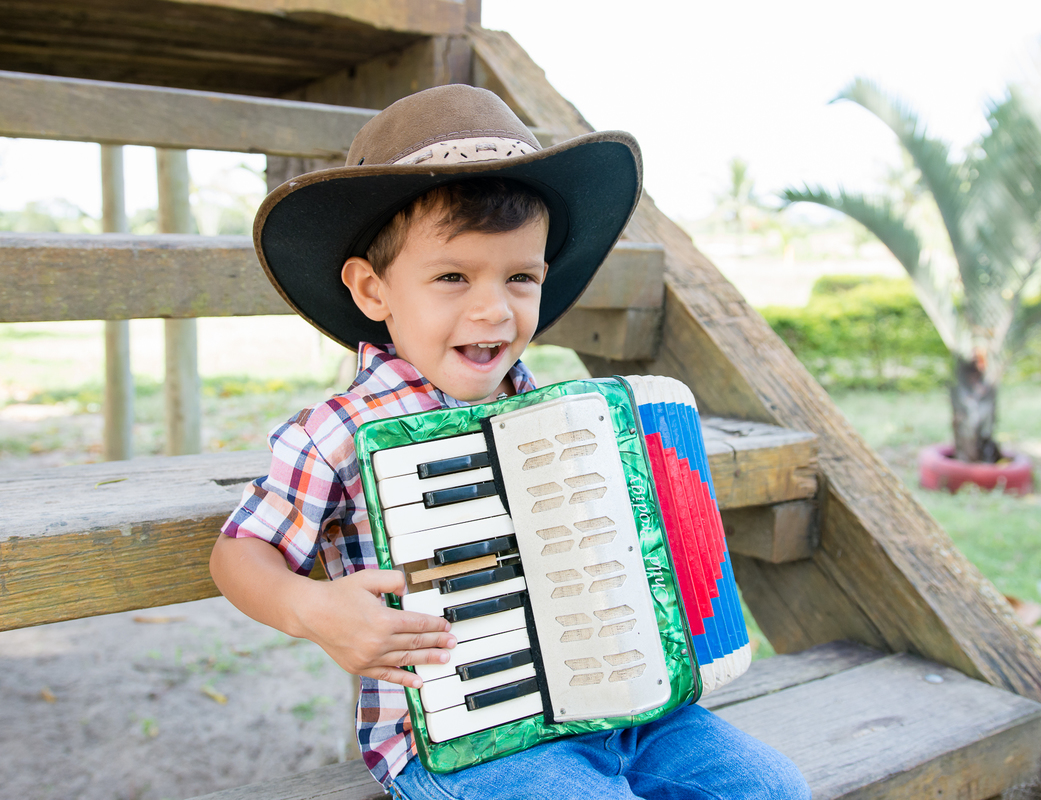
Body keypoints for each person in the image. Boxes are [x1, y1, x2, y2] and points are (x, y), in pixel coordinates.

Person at [211, 84, 809, 800]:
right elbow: (239, 552)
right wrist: (309, 610)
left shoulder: (569, 418)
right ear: (373, 291)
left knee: (773, 787)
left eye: (520, 277)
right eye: (452, 276)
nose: (493, 309)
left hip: (627, 709)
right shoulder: (338, 431)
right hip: (468, 743)